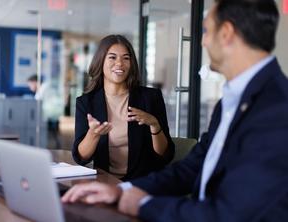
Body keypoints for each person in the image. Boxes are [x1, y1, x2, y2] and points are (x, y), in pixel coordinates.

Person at [62, 0, 288, 221]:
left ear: (226, 33)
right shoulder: (231, 101)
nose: (203, 42)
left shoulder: (277, 110)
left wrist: (142, 204)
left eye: (206, 31)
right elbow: (192, 168)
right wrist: (123, 190)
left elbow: (230, 213)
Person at [72, 34, 175, 180]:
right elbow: (81, 157)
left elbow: (165, 155)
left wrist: (154, 124)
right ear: (100, 61)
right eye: (112, 57)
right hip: (106, 182)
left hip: (144, 183)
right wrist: (93, 134)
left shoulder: (150, 98)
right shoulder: (86, 103)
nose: (120, 63)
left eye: (126, 58)